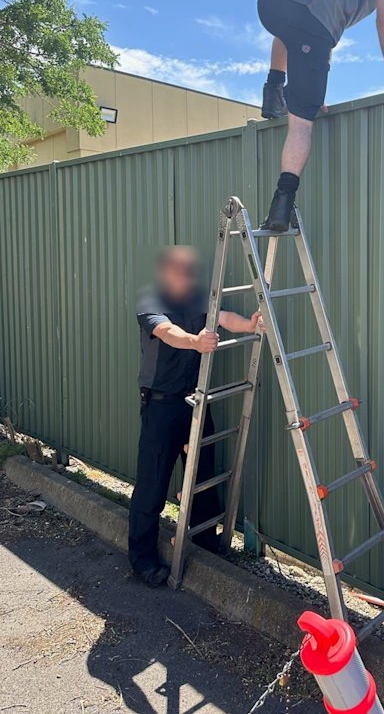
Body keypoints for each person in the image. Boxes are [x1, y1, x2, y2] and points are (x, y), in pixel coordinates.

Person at [257, 0, 384, 231]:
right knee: (301, 125)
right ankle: (283, 203)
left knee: (292, 33)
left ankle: (274, 90)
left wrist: (286, 84)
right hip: (312, 22)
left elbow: (292, 20)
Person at [128, 245, 262, 587]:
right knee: (153, 481)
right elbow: (168, 333)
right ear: (165, 273)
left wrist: (248, 325)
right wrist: (195, 341)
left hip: (196, 401)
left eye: (190, 271)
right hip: (161, 406)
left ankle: (203, 541)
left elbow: (221, 316)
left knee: (202, 473)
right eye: (179, 271)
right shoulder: (150, 302)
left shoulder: (197, 299)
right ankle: (143, 558)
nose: (186, 277)